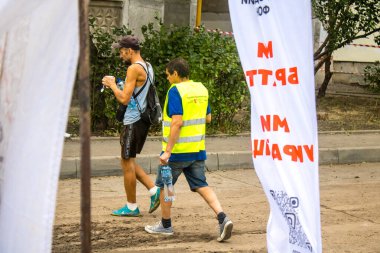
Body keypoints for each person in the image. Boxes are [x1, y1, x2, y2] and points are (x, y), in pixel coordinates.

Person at [144, 58, 233, 242]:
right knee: (201, 185)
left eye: (168, 75)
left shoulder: (176, 91)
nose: (167, 79)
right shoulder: (201, 89)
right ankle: (223, 218)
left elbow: (177, 121)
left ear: (176, 73)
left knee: (165, 187)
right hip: (197, 149)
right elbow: (208, 118)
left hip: (176, 152)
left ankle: (166, 226)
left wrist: (167, 151)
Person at [102, 36, 160, 217]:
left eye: (121, 52)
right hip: (141, 120)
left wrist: (112, 85)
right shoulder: (147, 66)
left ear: (130, 51)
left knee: (127, 163)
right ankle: (153, 190)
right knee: (128, 160)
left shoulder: (133, 68)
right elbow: (136, 93)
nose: (121, 55)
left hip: (133, 121)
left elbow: (124, 98)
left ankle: (132, 206)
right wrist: (121, 85)